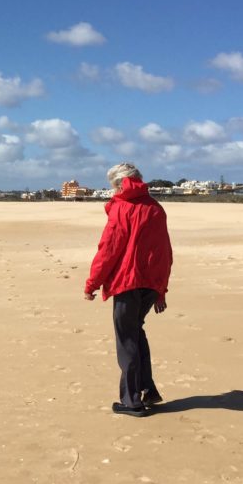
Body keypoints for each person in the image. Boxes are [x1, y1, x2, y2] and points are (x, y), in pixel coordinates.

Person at [83, 163, 173, 417]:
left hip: (128, 282)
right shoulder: (155, 207)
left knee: (127, 339)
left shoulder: (122, 208)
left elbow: (108, 250)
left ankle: (132, 400)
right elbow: (164, 253)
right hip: (150, 284)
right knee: (135, 331)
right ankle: (148, 389)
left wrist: (92, 283)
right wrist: (161, 289)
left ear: (117, 184)